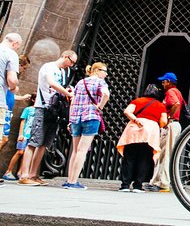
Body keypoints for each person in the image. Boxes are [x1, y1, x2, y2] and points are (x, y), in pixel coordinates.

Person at [18, 50, 77, 186]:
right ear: (65, 56)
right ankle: (24, 174)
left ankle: (33, 174)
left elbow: (62, 87)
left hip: (54, 110)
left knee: (44, 143)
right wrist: (67, 93)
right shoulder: (48, 67)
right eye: (71, 61)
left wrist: (69, 91)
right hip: (42, 107)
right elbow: (51, 82)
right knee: (34, 141)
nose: (71, 65)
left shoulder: (63, 72)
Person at [63, 62, 110, 190]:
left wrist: (70, 119)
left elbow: (72, 101)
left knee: (75, 150)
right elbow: (106, 94)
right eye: (104, 71)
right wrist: (100, 106)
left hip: (76, 118)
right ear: (96, 70)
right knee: (82, 150)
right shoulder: (100, 82)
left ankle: (69, 180)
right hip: (90, 117)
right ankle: (73, 182)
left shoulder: (80, 82)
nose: (106, 74)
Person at [116, 84, 167, 193]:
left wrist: (135, 119)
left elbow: (126, 111)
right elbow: (164, 121)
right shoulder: (160, 105)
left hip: (134, 129)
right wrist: (156, 124)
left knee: (129, 158)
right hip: (150, 133)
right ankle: (138, 186)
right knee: (144, 159)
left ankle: (125, 185)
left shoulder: (137, 101)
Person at [145, 72, 185, 192]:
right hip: (174, 125)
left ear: (169, 82)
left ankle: (162, 183)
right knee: (165, 154)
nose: (162, 83)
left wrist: (169, 118)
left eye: (164, 81)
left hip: (171, 125)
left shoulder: (171, 92)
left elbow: (176, 104)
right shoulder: (177, 92)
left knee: (165, 154)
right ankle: (160, 181)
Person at [1, 55, 32, 153]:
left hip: (8, 110)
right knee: (3, 139)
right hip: (4, 109)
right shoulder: (9, 78)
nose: (23, 71)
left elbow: (10, 95)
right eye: (24, 68)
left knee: (4, 139)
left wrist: (22, 97)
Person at [3, 93, 36, 181]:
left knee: (26, 153)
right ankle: (8, 171)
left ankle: (20, 172)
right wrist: (21, 134)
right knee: (20, 152)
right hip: (25, 134)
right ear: (33, 100)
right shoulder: (28, 109)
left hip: (33, 135)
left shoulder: (40, 112)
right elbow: (23, 121)